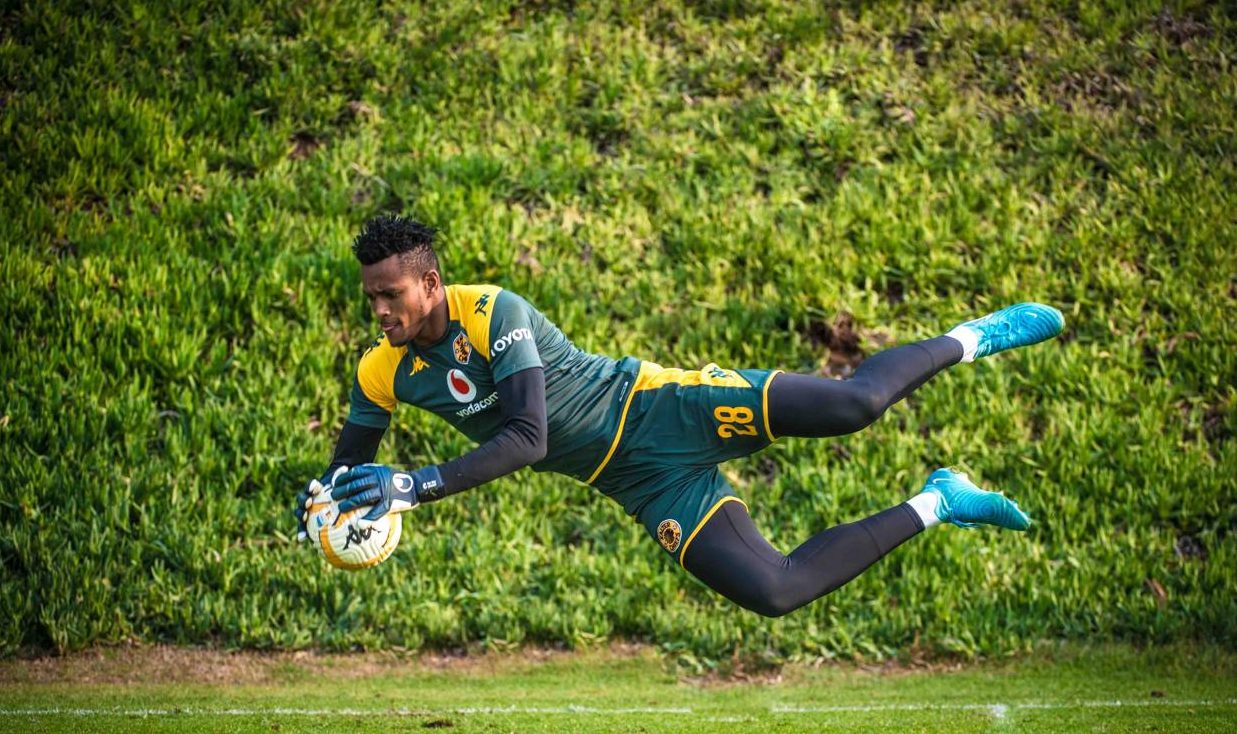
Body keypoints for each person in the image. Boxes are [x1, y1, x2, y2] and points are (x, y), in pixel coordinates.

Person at [295, 215, 1064, 617]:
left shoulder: (495, 310)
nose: (379, 310)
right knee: (776, 591)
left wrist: (415, 485)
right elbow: (348, 457)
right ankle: (939, 500)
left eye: (390, 294)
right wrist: (325, 497)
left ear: (430, 284)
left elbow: (527, 437)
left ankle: (975, 337)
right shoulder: (381, 369)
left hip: (664, 408)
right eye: (370, 297)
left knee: (855, 403)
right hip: (637, 482)